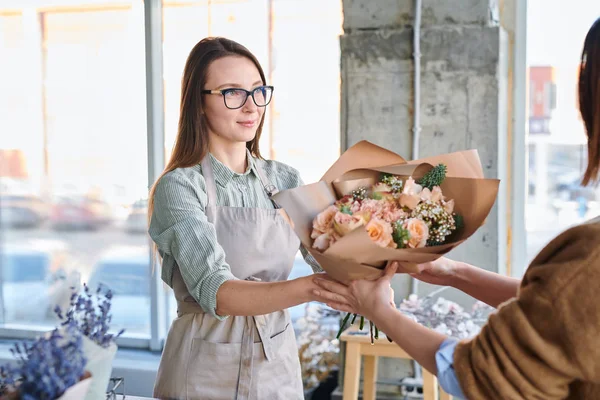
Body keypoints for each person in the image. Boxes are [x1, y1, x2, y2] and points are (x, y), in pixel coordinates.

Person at [313, 17, 600, 400]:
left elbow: (477, 376)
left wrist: (382, 312)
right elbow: (564, 314)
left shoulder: (589, 257)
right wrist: (453, 272)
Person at [147, 37, 344, 400]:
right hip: (202, 371)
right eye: (232, 93)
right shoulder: (179, 187)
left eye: (257, 91)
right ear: (199, 103)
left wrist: (377, 268)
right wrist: (312, 289)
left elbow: (333, 257)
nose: (251, 106)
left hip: (277, 367)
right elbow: (216, 292)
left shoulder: (285, 180)